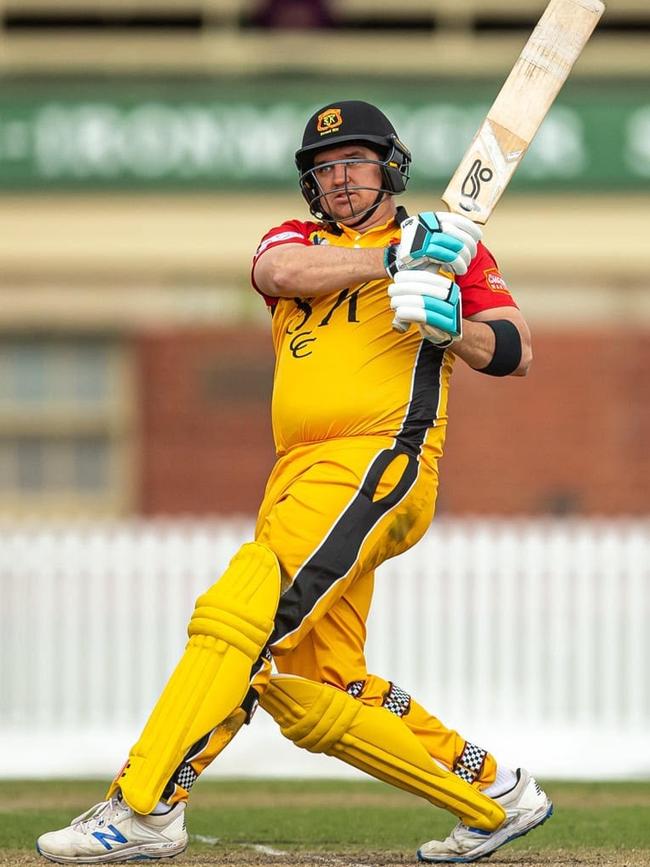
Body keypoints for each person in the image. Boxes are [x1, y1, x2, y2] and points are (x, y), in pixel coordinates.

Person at [36, 100, 552, 865]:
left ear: (390, 166)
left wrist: (451, 326)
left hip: (382, 459)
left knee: (243, 616)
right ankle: (495, 792)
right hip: (298, 474)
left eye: (355, 163)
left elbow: (515, 348)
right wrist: (392, 259)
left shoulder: (457, 253)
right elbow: (275, 271)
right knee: (314, 685)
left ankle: (146, 804)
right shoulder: (302, 241)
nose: (340, 179)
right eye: (324, 169)